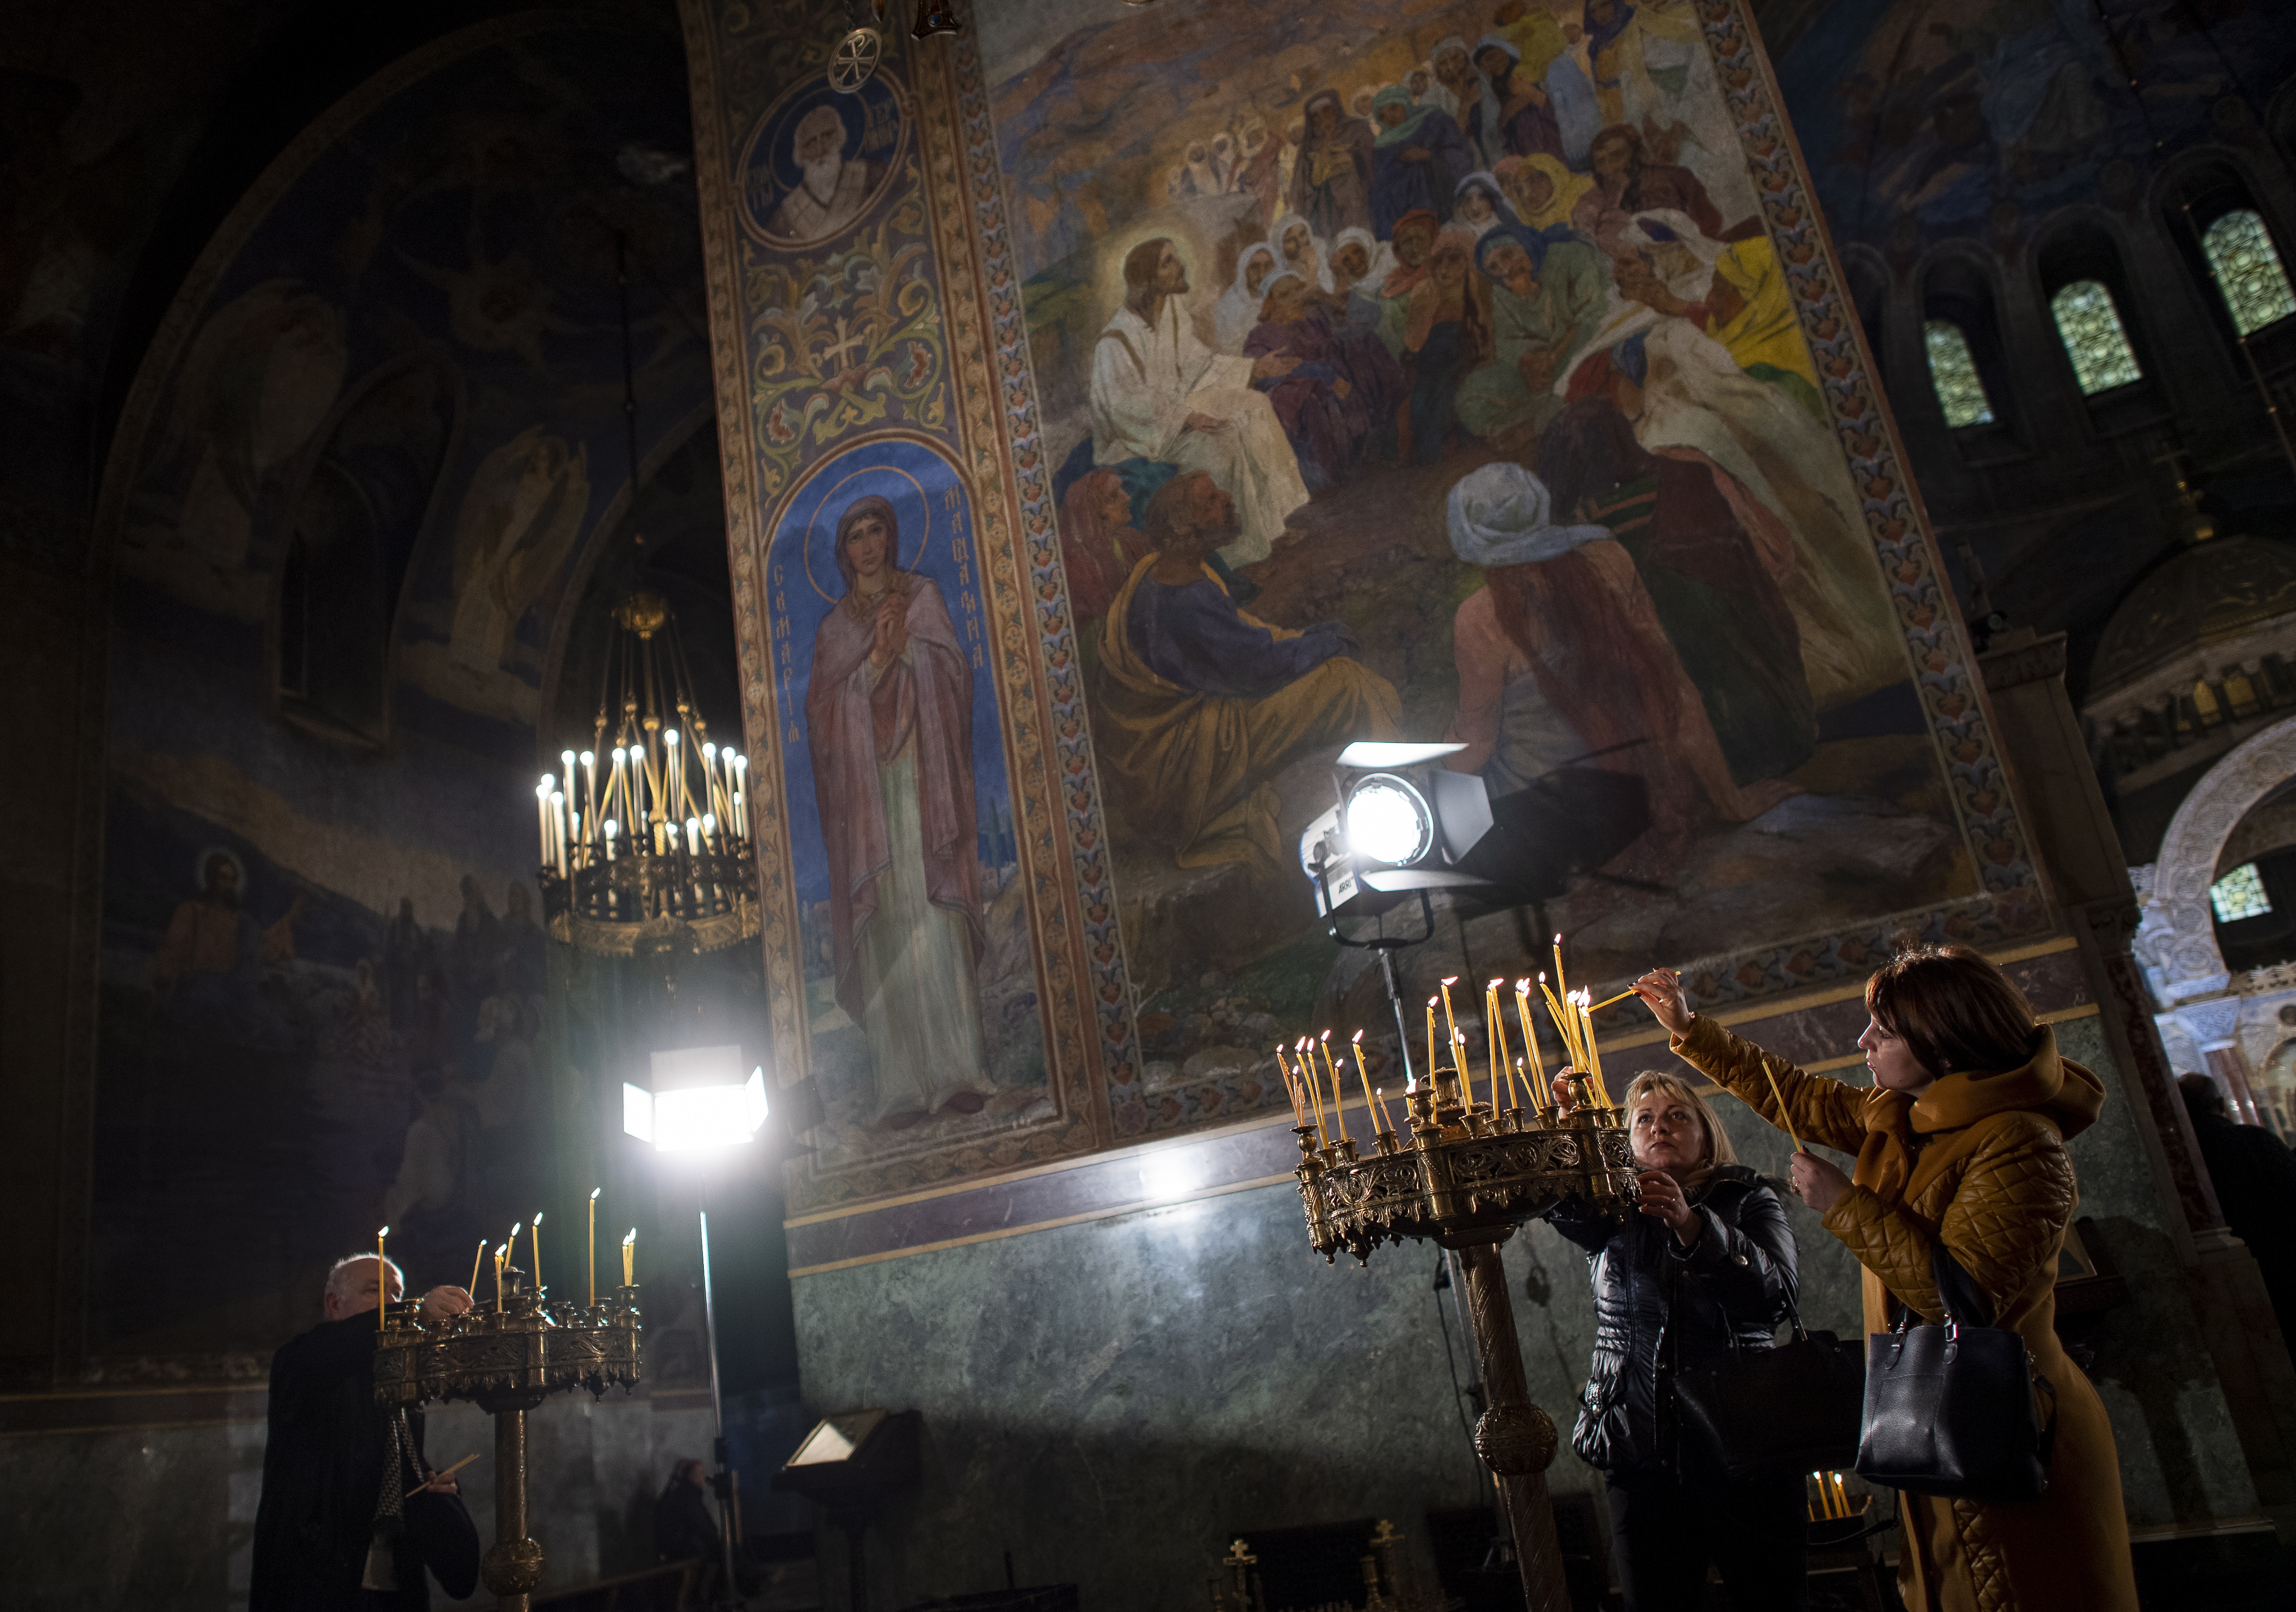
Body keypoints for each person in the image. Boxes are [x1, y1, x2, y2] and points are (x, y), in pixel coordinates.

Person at [1632, 946, 2140, 1611]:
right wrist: (1689, 1028)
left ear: (1944, 1040)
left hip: (2010, 1425)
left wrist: (1843, 1204)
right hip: (1927, 1413)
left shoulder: (2019, 1142)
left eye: (1885, 1030)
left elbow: (1961, 1299)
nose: (1863, 1041)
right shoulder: (1900, 1113)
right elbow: (1797, 1096)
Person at [1545, 1070, 1803, 1610]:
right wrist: (1570, 1135)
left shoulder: (1748, 1197)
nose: (1659, 1127)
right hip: (1639, 1449)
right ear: (1627, 1139)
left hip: (1745, 1443)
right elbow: (1560, 1205)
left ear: (1705, 1132)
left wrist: (1694, 1227)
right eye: (1644, 1119)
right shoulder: (1609, 1206)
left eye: (1676, 1116)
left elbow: (1774, 1298)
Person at [1439, 462, 1772, 862]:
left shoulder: (1478, 618)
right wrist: (1728, 798)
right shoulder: (1611, 562)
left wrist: (1438, 798)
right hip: (1644, 793)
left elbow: (1476, 741)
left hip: (1555, 817)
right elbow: (1673, 685)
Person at [1090, 471, 1401, 871]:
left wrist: (1306, 640)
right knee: (1347, 683)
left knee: (1329, 665)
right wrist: (1328, 643)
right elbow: (1259, 669)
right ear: (1187, 527)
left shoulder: (1162, 569)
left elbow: (1243, 640)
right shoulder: (1186, 597)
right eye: (1211, 503)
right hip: (1185, 762)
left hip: (1170, 743)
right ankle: (1396, 791)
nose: (1226, 500)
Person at [804, 494, 994, 1129]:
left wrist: (910, 649)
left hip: (922, 783)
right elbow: (824, 726)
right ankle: (901, 1086)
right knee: (888, 923)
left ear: (890, 536)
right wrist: (877, 661)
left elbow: (955, 676)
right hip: (871, 801)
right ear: (843, 551)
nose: (867, 545)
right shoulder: (834, 633)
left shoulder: (922, 598)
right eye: (855, 535)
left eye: (875, 530)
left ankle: (958, 1071)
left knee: (932, 917)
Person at [1537, 393, 1815, 786]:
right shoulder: (1690, 473)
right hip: (1784, 717)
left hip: (1707, 735)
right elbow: (1770, 560)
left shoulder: (1593, 519)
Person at [251, 1256, 476, 1611]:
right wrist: (415, 1311)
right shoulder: (301, 1362)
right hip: (317, 1584)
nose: (391, 1303)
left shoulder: (400, 1384)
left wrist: (435, 1489)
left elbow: (399, 1470)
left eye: (398, 1293)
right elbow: (339, 1350)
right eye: (375, 1291)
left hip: (394, 1588)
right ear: (334, 1304)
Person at [1088, 238, 1309, 566]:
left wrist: (1253, 368)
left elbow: (1198, 364)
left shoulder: (1172, 313)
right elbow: (1125, 408)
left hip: (1181, 408)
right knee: (1222, 444)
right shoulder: (1114, 341)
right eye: (1168, 262)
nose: (1181, 266)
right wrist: (1188, 417)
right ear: (1148, 278)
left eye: (1177, 258)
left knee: (1254, 407)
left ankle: (1272, 526)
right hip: (1143, 436)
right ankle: (1234, 557)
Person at [1614, 210, 1823, 418]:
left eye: (1720, 291)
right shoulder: (1740, 332)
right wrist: (1679, 307)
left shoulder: (1776, 374)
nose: (1709, 300)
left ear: (1759, 300)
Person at [1456, 223, 1606, 451]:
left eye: (1508, 255)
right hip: (1536, 370)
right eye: (1494, 267)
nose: (1505, 270)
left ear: (1526, 244)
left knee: (1576, 383)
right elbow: (1506, 341)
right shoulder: (1501, 292)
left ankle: (1533, 426)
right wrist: (1528, 360)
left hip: (1581, 351)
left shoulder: (1572, 258)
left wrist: (1554, 357)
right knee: (1470, 393)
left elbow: (1594, 318)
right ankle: (1515, 424)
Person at [1245, 271, 1402, 489]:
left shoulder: (1313, 317)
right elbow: (1262, 374)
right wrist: (1325, 374)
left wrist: (1327, 300)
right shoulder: (1259, 336)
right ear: (1271, 302)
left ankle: (1381, 442)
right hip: (1296, 392)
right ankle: (1325, 475)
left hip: (1332, 382)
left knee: (1365, 346)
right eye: (1285, 294)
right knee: (1303, 395)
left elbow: (1368, 319)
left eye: (1298, 290)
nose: (1295, 298)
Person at [2180, 1073, 2296, 1344]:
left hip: (2228, 1280)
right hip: (2283, 1257)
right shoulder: (2253, 1140)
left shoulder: (2179, 1153)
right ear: (2220, 1103)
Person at [765, 103, 885, 241]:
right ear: (800, 154)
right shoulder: (784, 216)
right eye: (810, 142)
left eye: (827, 135)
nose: (820, 148)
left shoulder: (873, 175)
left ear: (840, 137)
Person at [1368, 84, 1478, 235]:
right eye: (1382, 116)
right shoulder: (1382, 146)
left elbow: (1462, 156)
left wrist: (1428, 156)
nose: (1390, 118)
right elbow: (1381, 191)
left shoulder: (1435, 121)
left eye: (1394, 108)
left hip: (1443, 207)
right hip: (1407, 220)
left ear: (1406, 104)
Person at [1057, 468, 1143, 625]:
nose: (1127, 498)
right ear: (1094, 511)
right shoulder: (1078, 563)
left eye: (1122, 490)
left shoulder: (1132, 540)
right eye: (1113, 497)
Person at [1286, 90, 1374, 239]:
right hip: (1324, 206)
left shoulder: (1357, 128)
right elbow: (1304, 183)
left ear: (1336, 109)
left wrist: (1353, 158)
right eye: (1316, 116)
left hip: (1356, 200)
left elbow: (1371, 163)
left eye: (1326, 111)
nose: (1322, 119)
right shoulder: (1309, 144)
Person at [1466, 35, 1565, 165]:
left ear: (1507, 52)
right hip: (1518, 157)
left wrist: (1529, 92)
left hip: (1548, 150)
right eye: (1485, 62)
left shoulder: (1530, 76)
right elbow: (1494, 133)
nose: (1493, 63)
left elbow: (1555, 112)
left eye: (1494, 56)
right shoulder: (1490, 97)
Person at [1499, 152, 1595, 233]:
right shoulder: (1527, 223)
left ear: (1553, 174)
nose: (1527, 194)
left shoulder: (1588, 192)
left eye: (1534, 180)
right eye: (1519, 190)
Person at [1215, 242, 1280, 353]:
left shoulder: (1284, 298)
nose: (1262, 274)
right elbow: (1229, 349)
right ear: (1244, 271)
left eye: (1268, 266)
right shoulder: (1229, 305)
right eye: (1255, 267)